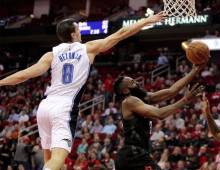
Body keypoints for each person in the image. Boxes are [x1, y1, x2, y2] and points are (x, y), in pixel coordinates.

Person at [0, 13, 165, 170]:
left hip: (44, 107)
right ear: (73, 35)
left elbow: (24, 75)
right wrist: (146, 21)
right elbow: (121, 33)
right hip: (64, 108)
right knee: (57, 158)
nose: (80, 32)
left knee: (50, 159)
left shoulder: (51, 54)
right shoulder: (88, 48)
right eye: (78, 29)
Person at [113, 65, 204, 170]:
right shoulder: (130, 101)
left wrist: (194, 71)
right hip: (132, 154)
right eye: (133, 83)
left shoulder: (143, 98)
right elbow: (160, 114)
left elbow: (172, 91)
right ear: (125, 91)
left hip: (134, 154)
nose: (137, 83)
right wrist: (185, 100)